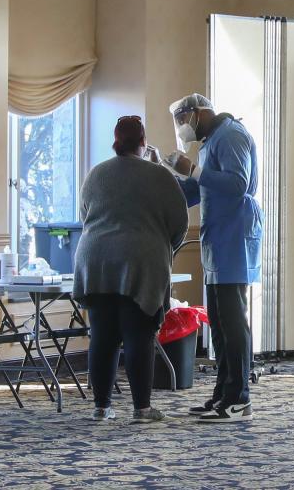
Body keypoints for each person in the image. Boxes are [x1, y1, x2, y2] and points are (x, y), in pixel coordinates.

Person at [73, 115, 189, 422]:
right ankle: (141, 408)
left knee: (102, 335)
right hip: (140, 262)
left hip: (95, 260)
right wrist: (163, 247)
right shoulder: (160, 176)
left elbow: (84, 215)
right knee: (138, 335)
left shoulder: (96, 174)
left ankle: (101, 406)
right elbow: (180, 224)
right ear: (143, 142)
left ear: (115, 142)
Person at [166, 93, 260, 423]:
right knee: (218, 323)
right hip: (217, 239)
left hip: (234, 236)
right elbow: (195, 191)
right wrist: (163, 175)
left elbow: (237, 184)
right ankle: (223, 394)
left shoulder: (231, 134)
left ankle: (239, 399)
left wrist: (192, 169)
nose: (182, 127)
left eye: (183, 119)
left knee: (233, 322)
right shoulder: (209, 142)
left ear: (200, 112)